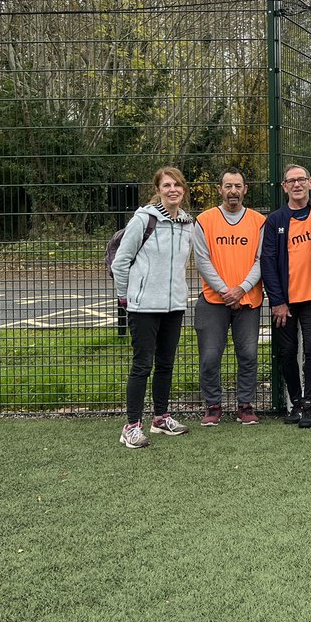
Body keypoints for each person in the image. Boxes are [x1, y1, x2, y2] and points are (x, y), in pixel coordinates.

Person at [112, 167, 195, 448]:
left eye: (178, 185)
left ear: (183, 189)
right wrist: (126, 298)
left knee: (166, 364)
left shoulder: (187, 224)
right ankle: (132, 426)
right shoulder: (143, 220)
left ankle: (160, 418)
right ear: (158, 189)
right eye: (167, 185)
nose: (173, 190)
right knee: (142, 365)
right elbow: (120, 262)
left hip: (174, 306)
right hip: (143, 306)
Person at [193, 167, 265, 426]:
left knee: (248, 354)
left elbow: (260, 260)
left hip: (248, 300)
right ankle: (213, 405)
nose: (233, 191)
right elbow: (202, 260)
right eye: (228, 186)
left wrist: (242, 288)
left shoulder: (258, 221)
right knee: (210, 355)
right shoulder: (204, 220)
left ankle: (245, 405)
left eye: (238, 186)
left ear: (246, 189)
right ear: (219, 189)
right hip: (214, 300)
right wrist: (225, 290)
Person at [261, 164, 311, 429]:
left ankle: (310, 405)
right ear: (284, 187)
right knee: (287, 351)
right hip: (284, 302)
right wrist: (277, 301)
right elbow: (268, 262)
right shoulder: (275, 220)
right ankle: (296, 402)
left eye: (302, 180)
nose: (297, 184)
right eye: (292, 181)